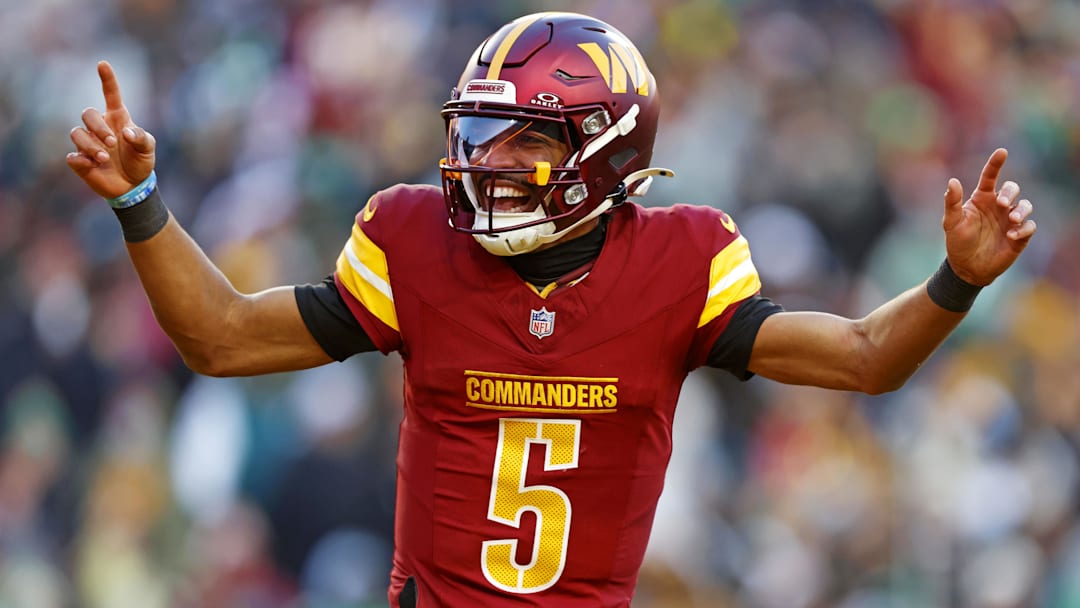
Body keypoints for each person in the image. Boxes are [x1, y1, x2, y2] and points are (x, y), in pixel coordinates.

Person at [66, 11, 1036, 608]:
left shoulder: (680, 261)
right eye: (478, 135)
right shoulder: (415, 242)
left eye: (519, 142)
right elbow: (222, 338)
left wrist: (956, 281)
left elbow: (867, 357)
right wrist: (136, 202)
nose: (484, 162)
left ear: (607, 155)